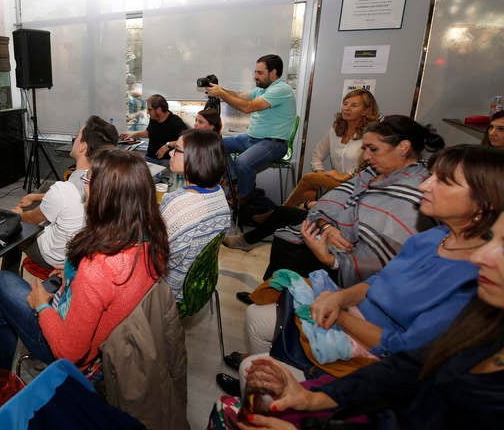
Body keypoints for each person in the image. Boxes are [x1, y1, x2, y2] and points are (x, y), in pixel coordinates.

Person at [216, 144, 504, 398]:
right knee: (256, 316)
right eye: (431, 176)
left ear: (484, 203)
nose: (424, 186)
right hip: (355, 313)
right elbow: (377, 281)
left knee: (251, 366)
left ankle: (272, 384)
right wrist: (339, 298)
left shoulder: (479, 278)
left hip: (379, 356)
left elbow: (401, 349)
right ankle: (267, 373)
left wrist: (339, 312)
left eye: (443, 181)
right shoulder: (432, 237)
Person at [237, 208, 504, 430]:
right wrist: (312, 398)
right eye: (491, 238)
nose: (480, 256)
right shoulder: (482, 324)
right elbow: (405, 368)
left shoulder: (467, 290)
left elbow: (398, 354)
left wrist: (340, 313)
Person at [0, 149, 169, 371]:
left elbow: (68, 352)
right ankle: (0, 368)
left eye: (88, 180)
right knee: (2, 306)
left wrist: (41, 306)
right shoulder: (152, 241)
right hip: (108, 339)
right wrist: (75, 275)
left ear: (104, 194)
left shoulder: (97, 268)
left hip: (66, 349)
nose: (84, 187)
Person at [226, 116, 444, 289]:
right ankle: (270, 291)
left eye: (373, 149)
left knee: (292, 241)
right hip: (334, 229)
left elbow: (379, 250)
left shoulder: (418, 188)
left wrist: (332, 253)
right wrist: (326, 226)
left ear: (404, 147)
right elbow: (332, 201)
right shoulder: (373, 172)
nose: (366, 156)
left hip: (350, 257)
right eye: (365, 149)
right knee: (285, 214)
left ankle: (280, 298)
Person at [0, 116, 118, 274]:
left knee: (12, 226)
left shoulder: (66, 189)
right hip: (83, 250)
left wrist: (17, 216)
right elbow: (68, 196)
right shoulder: (106, 180)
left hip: (56, 258)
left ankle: (7, 277)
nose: (74, 139)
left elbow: (31, 218)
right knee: (46, 188)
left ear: (83, 147)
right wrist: (35, 197)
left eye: (77, 136)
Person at [204, 55, 296, 219]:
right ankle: (235, 183)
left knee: (243, 163)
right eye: (255, 72)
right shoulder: (261, 89)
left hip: (273, 143)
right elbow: (239, 96)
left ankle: (243, 199)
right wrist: (219, 90)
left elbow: (248, 107)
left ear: (273, 73)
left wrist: (222, 94)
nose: (255, 76)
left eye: (260, 73)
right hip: (251, 139)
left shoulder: (281, 89)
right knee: (215, 145)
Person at [161, 129, 231, 301]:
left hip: (172, 292)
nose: (170, 153)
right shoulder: (219, 192)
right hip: (200, 284)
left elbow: (156, 255)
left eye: (176, 150)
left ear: (195, 158)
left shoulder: (176, 203)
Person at [280, 89, 379, 210]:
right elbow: (317, 155)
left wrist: (347, 176)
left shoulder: (372, 134)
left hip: (358, 185)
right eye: (345, 104)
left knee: (309, 179)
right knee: (310, 190)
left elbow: (371, 166)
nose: (347, 108)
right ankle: (291, 213)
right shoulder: (336, 129)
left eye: (354, 105)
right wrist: (321, 174)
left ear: (366, 111)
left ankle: (282, 210)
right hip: (336, 183)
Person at [120, 94, 188, 167]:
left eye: (149, 109)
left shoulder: (175, 121)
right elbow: (149, 133)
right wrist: (133, 134)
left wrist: (168, 145)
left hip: (167, 160)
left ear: (159, 109)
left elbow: (187, 140)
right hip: (150, 157)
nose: (147, 112)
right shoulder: (154, 118)